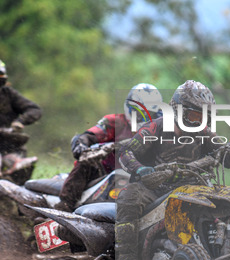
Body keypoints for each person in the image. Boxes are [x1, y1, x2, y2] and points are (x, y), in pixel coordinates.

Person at [115, 80, 230, 260]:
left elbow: (228, 161)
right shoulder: (157, 127)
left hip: (192, 186)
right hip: (154, 186)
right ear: (177, 110)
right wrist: (141, 169)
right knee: (128, 197)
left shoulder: (204, 133)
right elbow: (126, 151)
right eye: (195, 116)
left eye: (204, 117)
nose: (199, 122)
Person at [54, 83, 163, 212]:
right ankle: (65, 206)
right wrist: (81, 144)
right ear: (130, 109)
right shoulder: (115, 122)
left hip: (141, 175)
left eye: (150, 114)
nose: (144, 118)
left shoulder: (162, 130)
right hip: (104, 172)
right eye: (140, 113)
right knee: (87, 161)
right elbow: (91, 135)